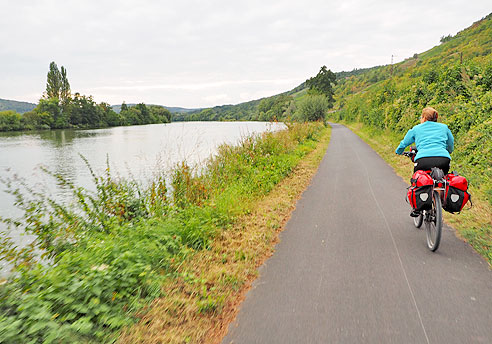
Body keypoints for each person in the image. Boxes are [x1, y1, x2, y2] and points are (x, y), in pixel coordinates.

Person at [395, 107, 454, 216]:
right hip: (443, 160)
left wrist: (399, 151)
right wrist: (448, 151)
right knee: (442, 180)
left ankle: (417, 207)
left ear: (424, 117)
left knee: (418, 180)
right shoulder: (444, 127)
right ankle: (439, 203)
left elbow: (404, 143)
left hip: (423, 160)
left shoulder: (417, 129)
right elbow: (450, 144)